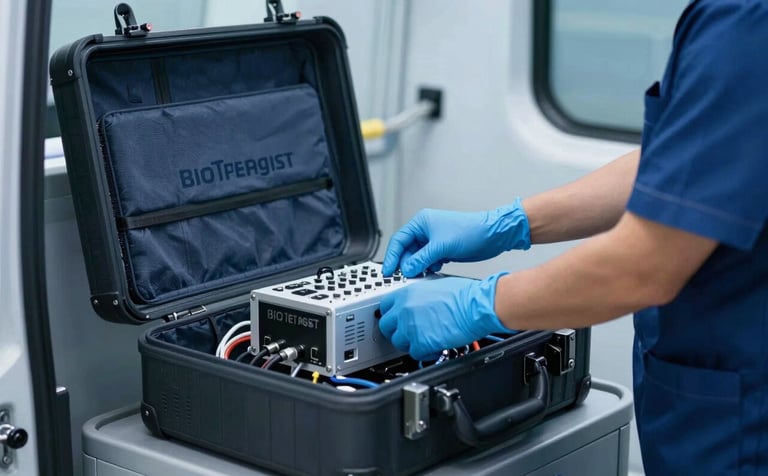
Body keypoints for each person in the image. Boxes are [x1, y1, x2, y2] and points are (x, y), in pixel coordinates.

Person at [377, 0, 768, 474]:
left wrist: (481, 303)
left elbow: (644, 265)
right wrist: (510, 222)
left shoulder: (746, 23)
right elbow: (680, 164)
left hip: (743, 422)